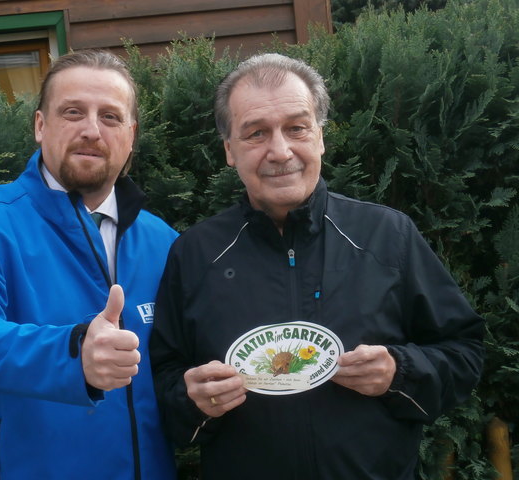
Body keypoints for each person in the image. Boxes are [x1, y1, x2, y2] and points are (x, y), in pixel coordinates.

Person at [150, 53, 484, 479]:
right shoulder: (195, 254)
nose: (280, 150)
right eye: (256, 133)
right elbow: (163, 377)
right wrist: (190, 398)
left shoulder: (387, 235)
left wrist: (400, 373)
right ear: (230, 150)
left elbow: (465, 353)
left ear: (320, 137)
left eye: (296, 128)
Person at [0, 50, 178, 480]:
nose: (91, 130)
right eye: (73, 112)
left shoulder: (164, 241)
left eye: (110, 117)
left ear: (131, 136)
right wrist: (73, 354)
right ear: (41, 126)